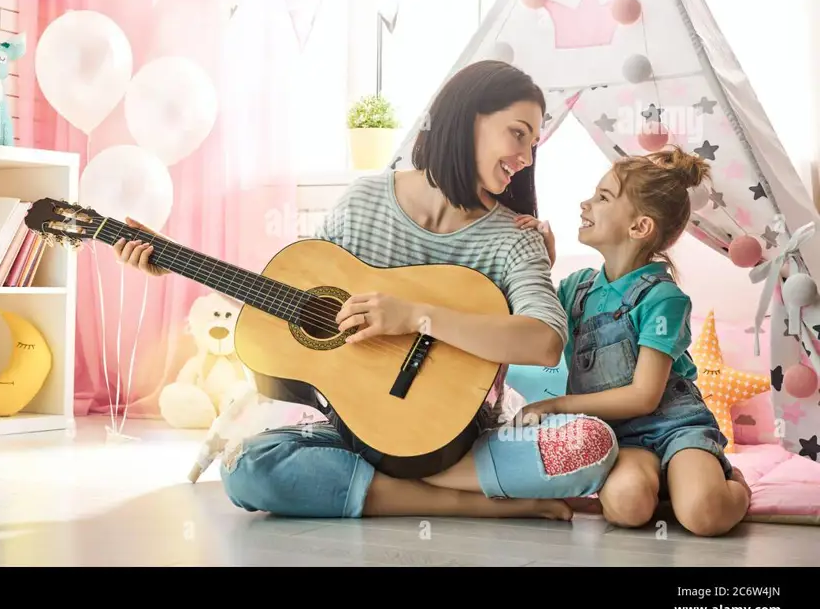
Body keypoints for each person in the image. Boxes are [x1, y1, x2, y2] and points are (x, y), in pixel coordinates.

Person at [115, 60, 619, 521]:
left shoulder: (515, 236)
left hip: (460, 435)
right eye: (518, 133)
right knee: (247, 467)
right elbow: (292, 302)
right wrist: (175, 259)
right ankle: (472, 502)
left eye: (533, 143)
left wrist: (415, 317)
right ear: (468, 117)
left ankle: (405, 479)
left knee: (591, 445)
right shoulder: (365, 201)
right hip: (350, 426)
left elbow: (543, 339)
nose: (526, 157)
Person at [514, 146, 752, 536]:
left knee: (705, 516)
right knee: (627, 507)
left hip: (676, 425)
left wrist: (556, 403)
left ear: (639, 227)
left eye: (603, 197)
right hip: (619, 435)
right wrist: (541, 261)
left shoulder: (663, 298)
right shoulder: (576, 289)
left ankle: (733, 486)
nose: (585, 203)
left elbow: (644, 397)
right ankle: (670, 484)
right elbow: (532, 322)